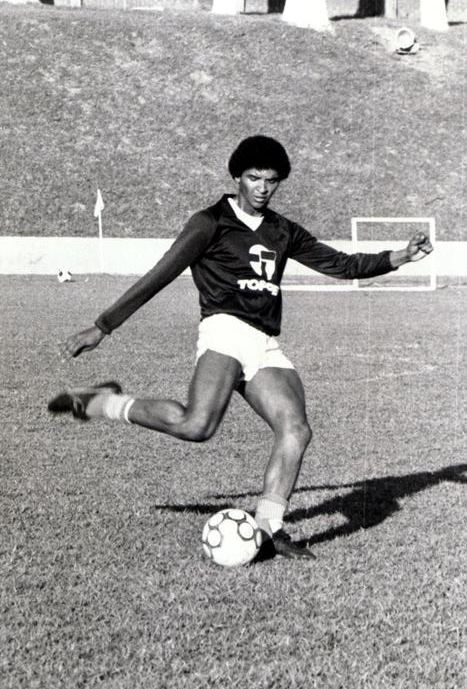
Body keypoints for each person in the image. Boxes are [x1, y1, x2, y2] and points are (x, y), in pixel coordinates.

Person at [48, 135, 433, 561]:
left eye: (272, 180)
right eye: (254, 178)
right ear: (237, 177)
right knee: (197, 426)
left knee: (296, 429)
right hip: (224, 331)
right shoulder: (209, 223)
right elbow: (159, 275)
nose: (263, 187)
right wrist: (102, 326)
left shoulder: (282, 230)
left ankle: (269, 530)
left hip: (264, 342)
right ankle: (102, 403)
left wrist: (399, 256)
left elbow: (340, 265)